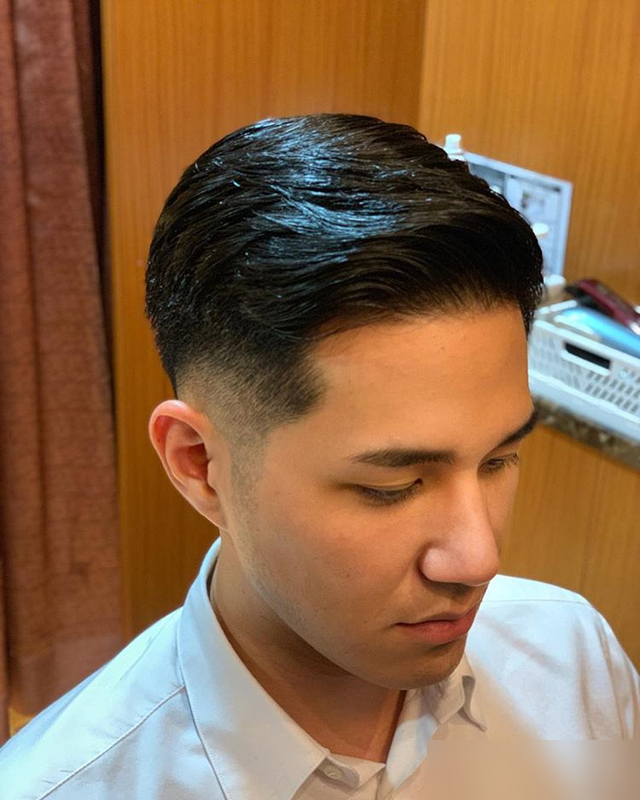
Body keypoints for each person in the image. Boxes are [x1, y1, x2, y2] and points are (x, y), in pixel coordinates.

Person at [1, 114, 638, 799]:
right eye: (393, 486)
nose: (478, 559)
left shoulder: (571, 656)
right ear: (199, 464)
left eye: (498, 460)